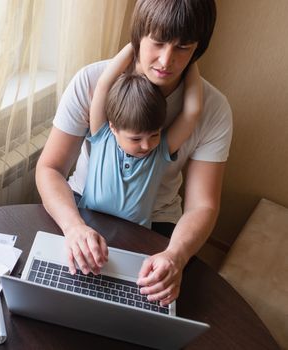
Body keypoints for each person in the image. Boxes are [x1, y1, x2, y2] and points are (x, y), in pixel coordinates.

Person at [36, 0, 232, 307]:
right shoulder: (92, 82)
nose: (166, 60)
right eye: (157, 42)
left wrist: (175, 255)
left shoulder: (214, 109)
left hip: (159, 225)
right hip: (80, 207)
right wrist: (74, 227)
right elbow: (50, 168)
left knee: (149, 309)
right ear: (139, 34)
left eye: (183, 48)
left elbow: (202, 205)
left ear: (198, 49)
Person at [80, 43, 202, 230]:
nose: (147, 145)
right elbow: (104, 84)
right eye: (135, 139)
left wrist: (190, 59)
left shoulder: (160, 152)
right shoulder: (102, 137)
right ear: (113, 127)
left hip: (135, 235)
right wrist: (136, 43)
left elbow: (192, 112)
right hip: (87, 225)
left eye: (154, 134)